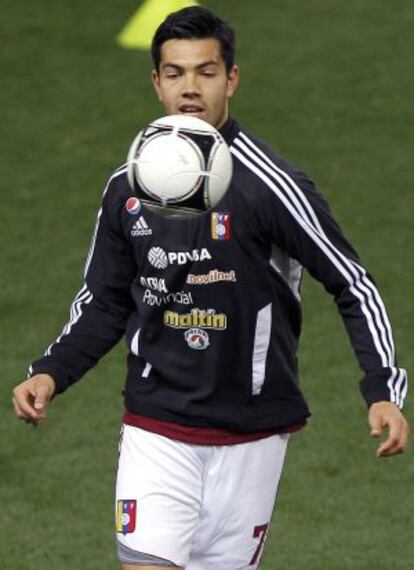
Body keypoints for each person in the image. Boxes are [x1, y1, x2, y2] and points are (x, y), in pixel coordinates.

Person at [13, 6, 409, 570]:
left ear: (232, 79)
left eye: (206, 72)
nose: (190, 89)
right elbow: (105, 300)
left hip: (253, 434)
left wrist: (382, 389)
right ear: (156, 82)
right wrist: (51, 370)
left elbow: (351, 283)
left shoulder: (272, 186)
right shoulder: (128, 186)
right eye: (175, 74)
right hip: (157, 423)